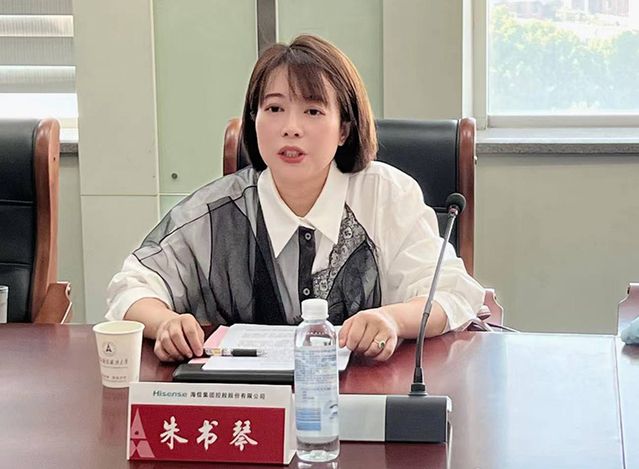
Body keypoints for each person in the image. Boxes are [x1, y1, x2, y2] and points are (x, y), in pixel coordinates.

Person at [106, 34, 484, 363]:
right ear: (254, 120)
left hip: (363, 396)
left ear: (344, 129)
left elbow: (452, 292)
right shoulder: (219, 209)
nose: (291, 128)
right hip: (251, 403)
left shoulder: (386, 195)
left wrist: (393, 320)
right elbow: (131, 286)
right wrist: (166, 323)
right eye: (274, 109)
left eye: (313, 111)